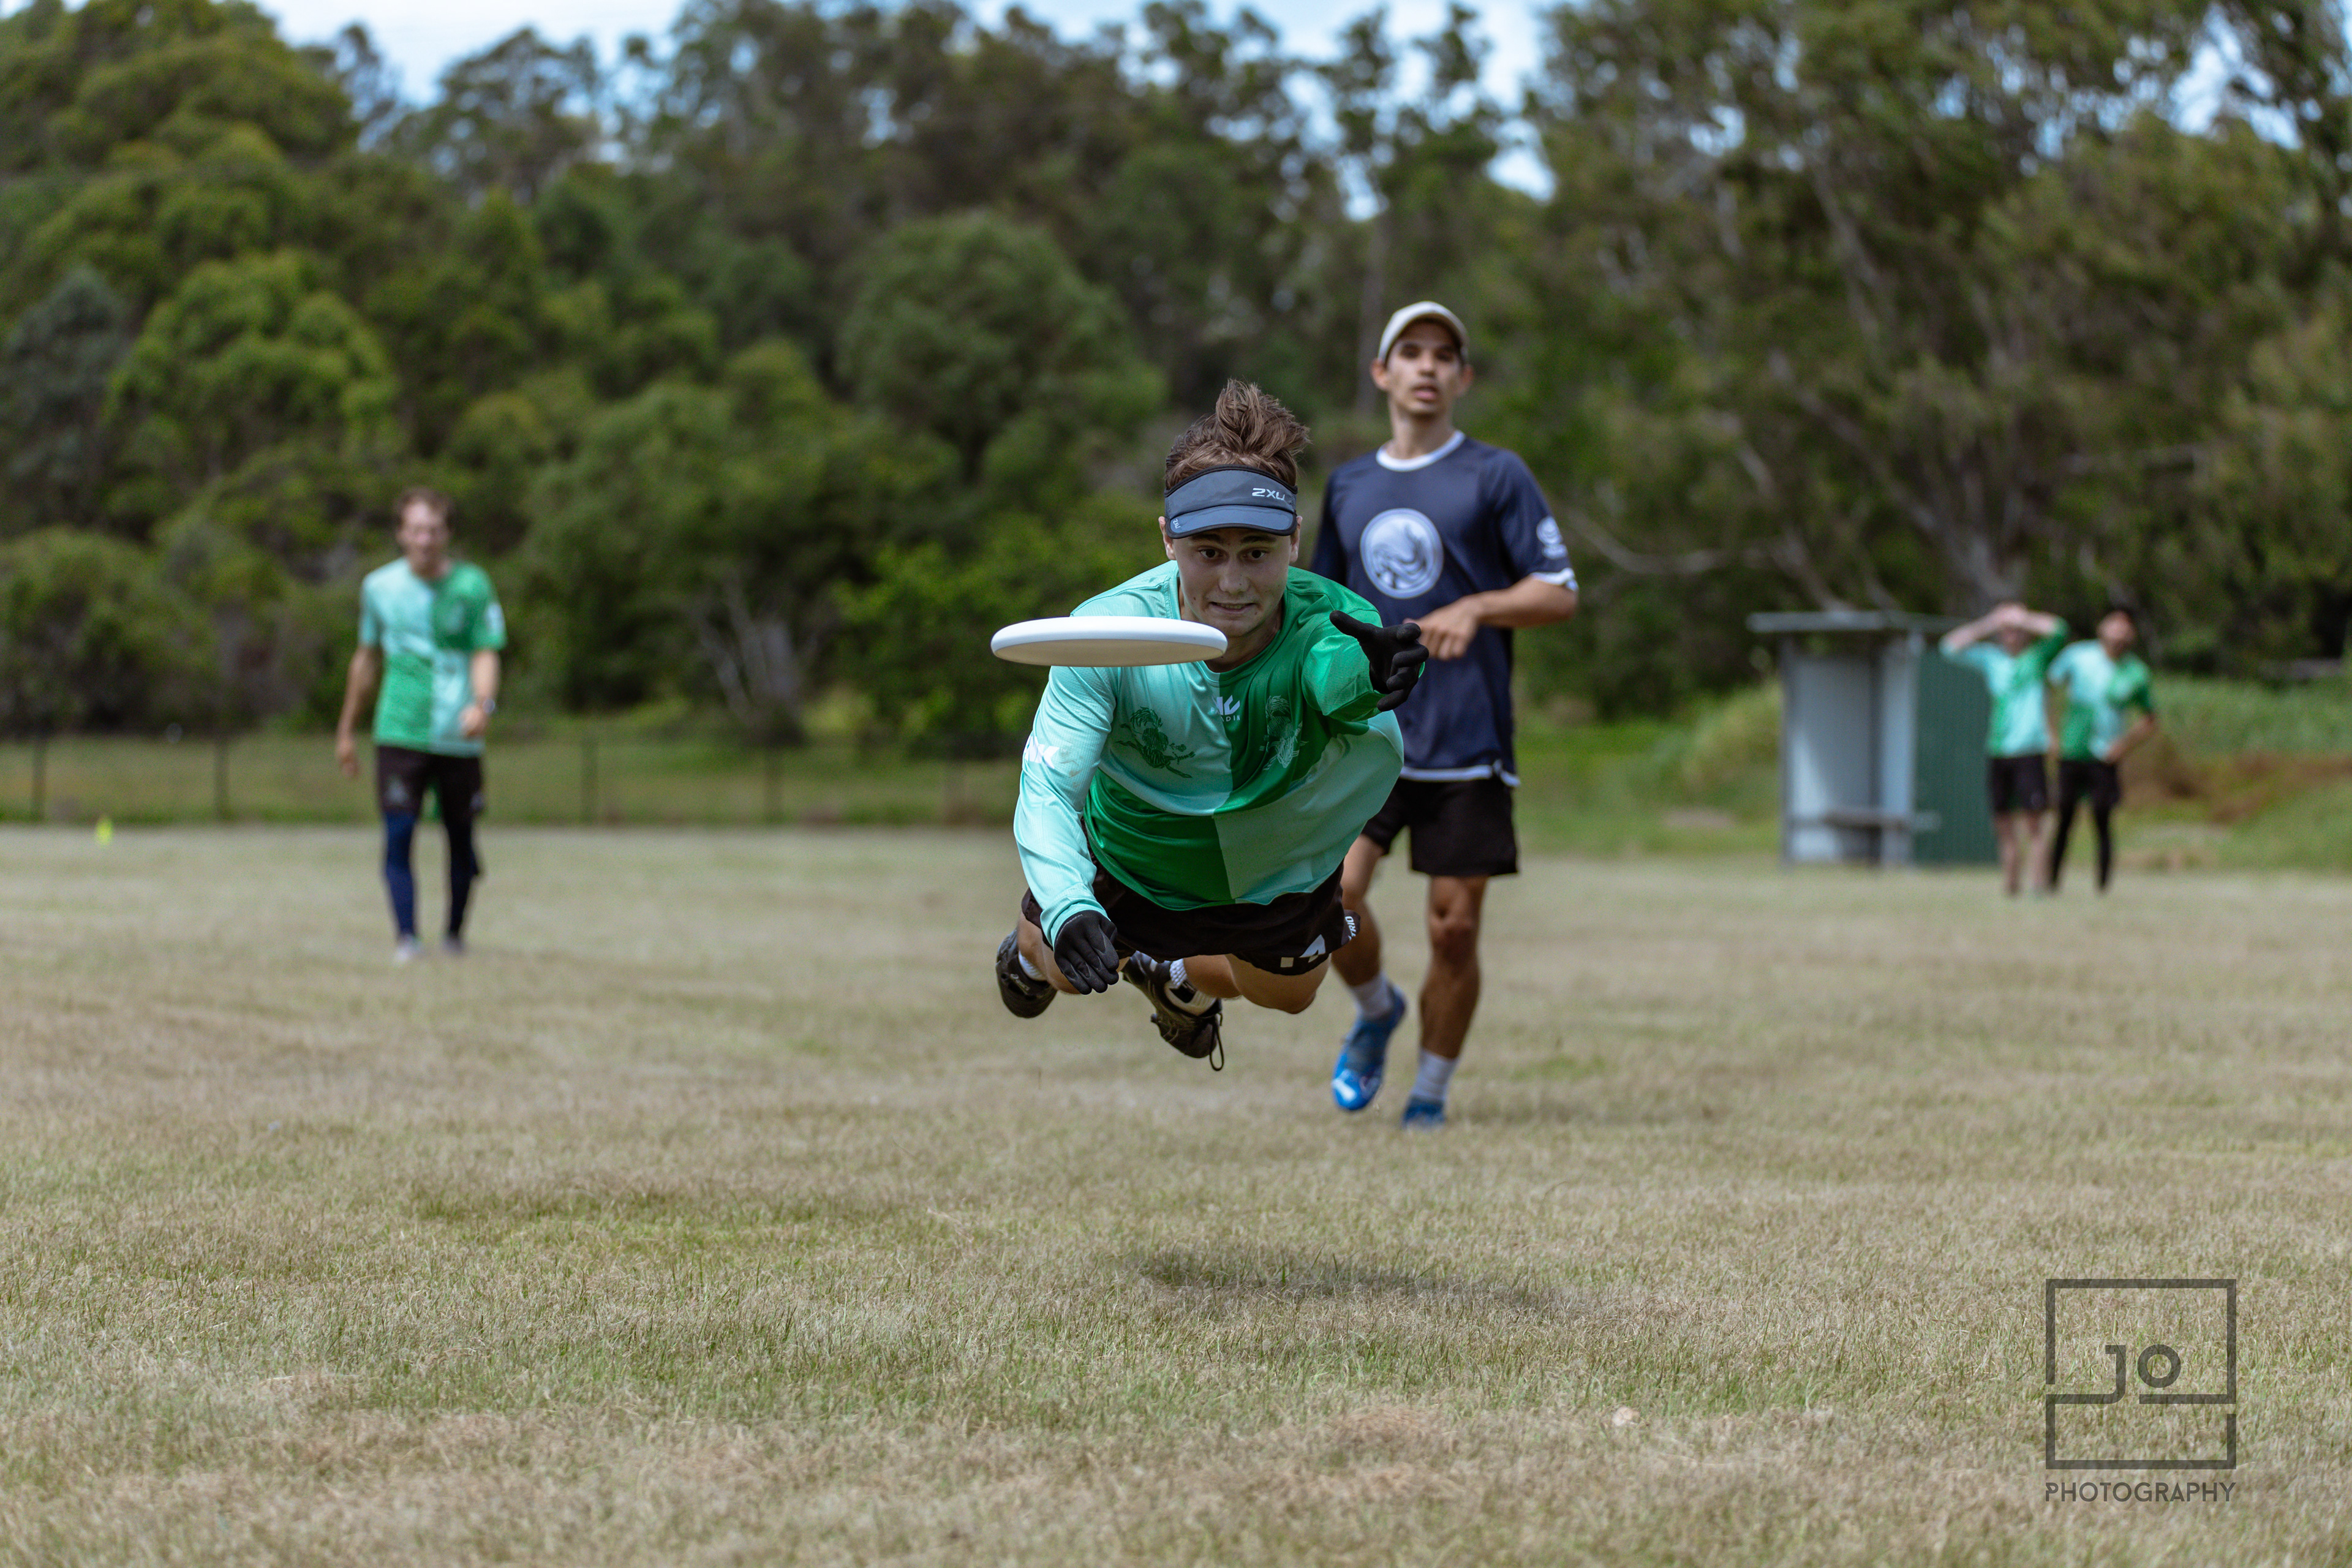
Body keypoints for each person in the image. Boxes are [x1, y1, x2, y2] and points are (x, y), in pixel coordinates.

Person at [995, 381, 1429, 1066]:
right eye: (1209, 552)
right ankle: (1035, 951)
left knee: (1289, 996)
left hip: (1274, 859)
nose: (1232, 583)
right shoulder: (1108, 632)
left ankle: (1174, 977)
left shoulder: (1333, 620)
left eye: (1256, 552)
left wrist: (1373, 677)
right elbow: (1049, 783)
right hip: (1133, 854)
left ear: (1294, 540)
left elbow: (1337, 677)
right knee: (1055, 958)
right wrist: (1068, 905)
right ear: (1167, 538)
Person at [1310, 302, 1580, 1131]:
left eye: (1445, 356)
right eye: (1411, 352)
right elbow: (1317, 610)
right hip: (1367, 735)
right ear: (1382, 372)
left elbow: (1558, 592)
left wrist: (1480, 608)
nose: (1428, 367)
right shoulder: (1350, 485)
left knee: (1454, 930)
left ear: (1462, 378)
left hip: (1467, 739)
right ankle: (1377, 1008)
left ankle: (1428, 1095)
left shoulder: (1497, 476)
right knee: (1332, 897)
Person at [334, 488, 507, 962]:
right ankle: (407, 938)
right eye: (415, 529)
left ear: (447, 533)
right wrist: (347, 728)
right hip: (399, 728)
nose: (425, 540)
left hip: (457, 733)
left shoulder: (473, 586)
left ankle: (454, 935)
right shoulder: (379, 588)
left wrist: (483, 705)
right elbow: (366, 659)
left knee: (460, 838)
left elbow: (485, 651)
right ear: (400, 533)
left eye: (433, 530)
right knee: (398, 833)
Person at [1939, 601, 2068, 895]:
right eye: (2006, 631)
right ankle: (2010, 884)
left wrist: (2024, 619)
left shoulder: (2036, 658)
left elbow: (2060, 629)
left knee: (2035, 825)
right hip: (1998, 750)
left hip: (2029, 750)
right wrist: (1989, 623)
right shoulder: (1991, 659)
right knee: (2003, 824)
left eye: (2016, 631)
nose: (2011, 635)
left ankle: (2039, 886)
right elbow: (1949, 647)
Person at [2045, 608, 2158, 893]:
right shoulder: (2078, 656)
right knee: (2064, 818)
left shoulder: (2136, 673)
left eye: (2125, 627)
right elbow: (2049, 687)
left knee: (2102, 820)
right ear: (2101, 628)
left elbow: (2150, 720)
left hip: (2104, 756)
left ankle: (2103, 887)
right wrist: (2052, 734)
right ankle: (2051, 882)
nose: (2118, 632)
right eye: (2114, 624)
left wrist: (2123, 745)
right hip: (2072, 750)